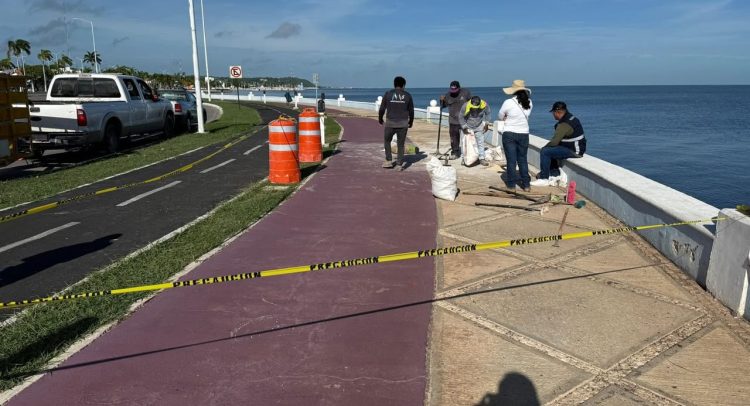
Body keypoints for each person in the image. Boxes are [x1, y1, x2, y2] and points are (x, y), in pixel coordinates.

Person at [531, 101, 586, 186]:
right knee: (551, 150)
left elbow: (554, 142)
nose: (553, 115)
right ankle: (555, 174)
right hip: (577, 148)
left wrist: (544, 148)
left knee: (545, 151)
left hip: (574, 151)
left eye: (553, 113)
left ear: (557, 112)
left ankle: (544, 179)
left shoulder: (564, 124)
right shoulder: (570, 118)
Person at [498, 79, 533, 191]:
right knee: (522, 159)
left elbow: (500, 116)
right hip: (524, 134)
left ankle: (511, 185)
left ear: (513, 90)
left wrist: (506, 117)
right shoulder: (529, 102)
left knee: (511, 160)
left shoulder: (508, 102)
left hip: (509, 134)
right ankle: (526, 185)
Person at [378, 76, 414, 171]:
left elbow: (382, 108)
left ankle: (389, 160)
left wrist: (380, 118)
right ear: (403, 85)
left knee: (387, 141)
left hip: (390, 123)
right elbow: (411, 110)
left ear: (394, 84)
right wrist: (411, 121)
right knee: (400, 144)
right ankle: (399, 164)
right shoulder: (407, 95)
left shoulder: (388, 94)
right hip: (403, 124)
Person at [440, 80, 471, 160]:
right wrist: (441, 100)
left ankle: (467, 153)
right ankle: (455, 153)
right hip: (453, 120)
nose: (454, 92)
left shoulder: (466, 93)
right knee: (454, 138)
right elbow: (442, 106)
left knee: (467, 137)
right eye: (452, 90)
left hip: (465, 120)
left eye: (455, 90)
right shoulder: (448, 95)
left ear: (459, 88)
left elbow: (472, 104)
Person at [458, 95, 491, 166]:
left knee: (480, 142)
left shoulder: (485, 105)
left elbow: (488, 114)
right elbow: (461, 117)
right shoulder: (465, 105)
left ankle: (481, 158)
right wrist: (464, 127)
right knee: (465, 143)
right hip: (467, 126)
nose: (474, 109)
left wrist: (486, 124)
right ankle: (464, 158)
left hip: (478, 126)